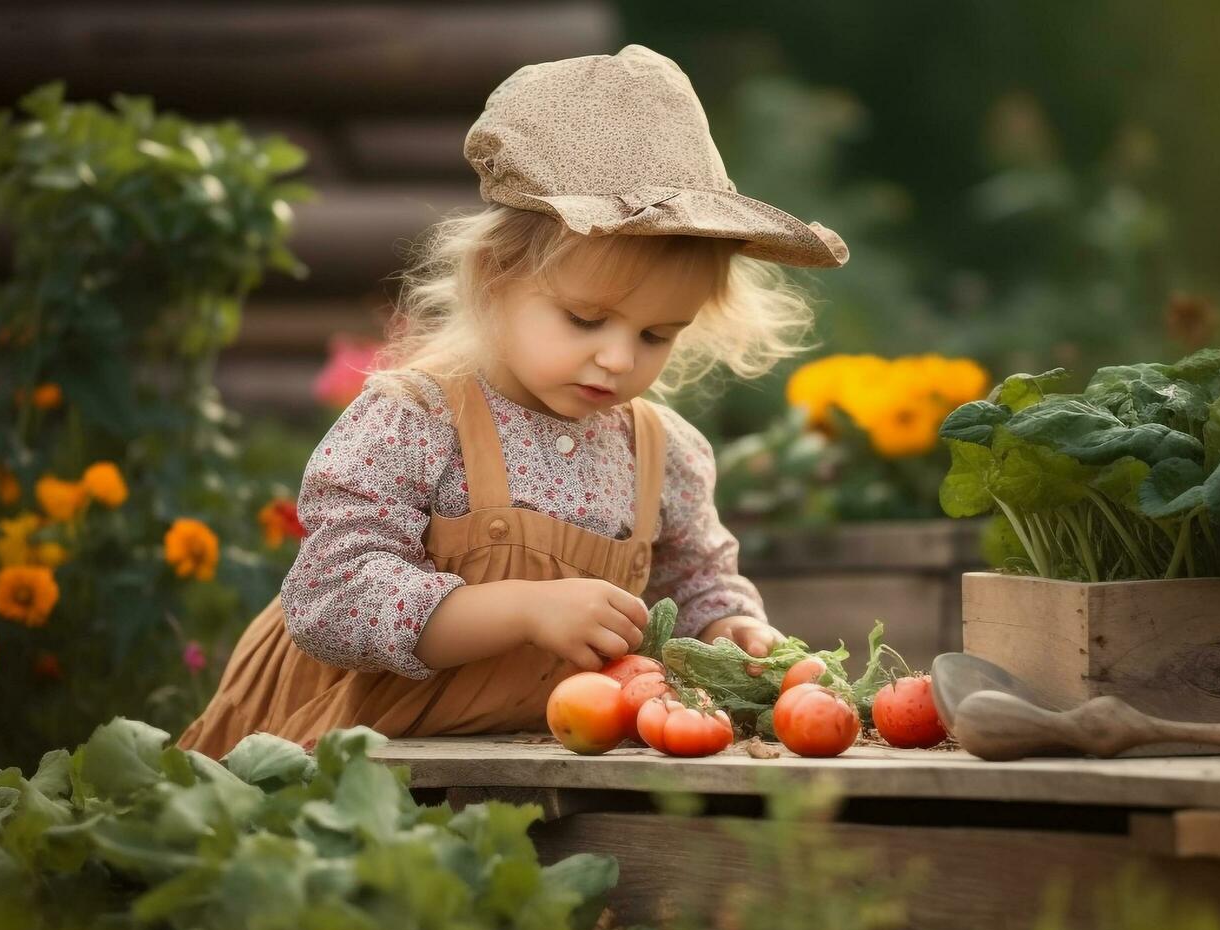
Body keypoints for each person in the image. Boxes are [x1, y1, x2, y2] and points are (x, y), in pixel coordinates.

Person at [175, 44, 849, 758]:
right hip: (332, 760)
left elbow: (695, 581)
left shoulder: (661, 452)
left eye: (656, 334)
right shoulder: (417, 418)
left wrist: (729, 631)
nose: (618, 358)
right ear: (495, 277)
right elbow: (330, 603)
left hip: (526, 766)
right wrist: (520, 610)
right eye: (585, 320)